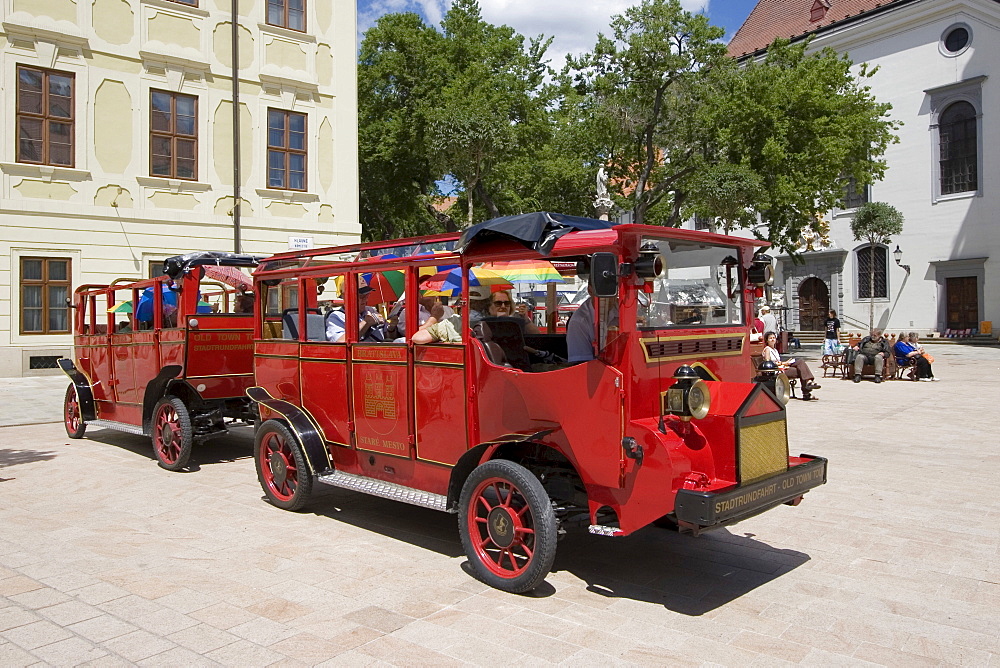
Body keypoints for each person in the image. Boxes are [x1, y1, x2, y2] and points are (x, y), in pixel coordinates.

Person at [762, 331, 821, 400]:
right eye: (770, 338)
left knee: (800, 364)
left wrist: (785, 362)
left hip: (782, 367)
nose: (772, 340)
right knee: (801, 369)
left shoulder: (775, 350)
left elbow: (778, 361)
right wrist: (783, 363)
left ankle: (808, 385)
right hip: (776, 371)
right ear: (767, 340)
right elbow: (768, 363)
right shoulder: (767, 350)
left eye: (774, 338)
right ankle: (807, 391)